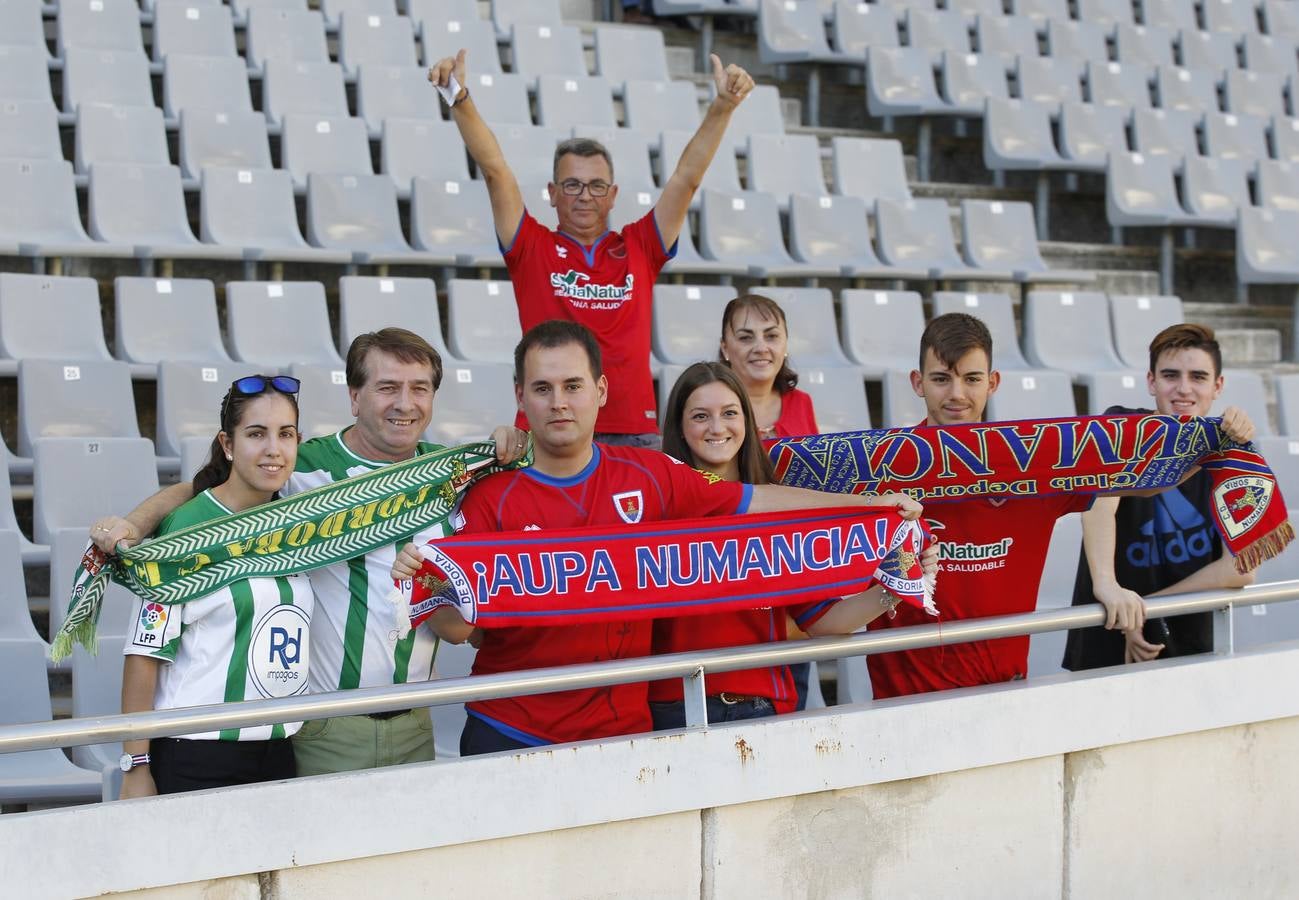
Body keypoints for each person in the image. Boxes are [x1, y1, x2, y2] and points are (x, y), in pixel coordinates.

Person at [392, 321, 923, 755]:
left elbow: (758, 501)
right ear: (520, 396)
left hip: (627, 734)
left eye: (573, 386)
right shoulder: (490, 496)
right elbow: (461, 630)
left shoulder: (651, 475)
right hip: (512, 729)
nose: (559, 402)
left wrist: (869, 506)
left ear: (600, 391)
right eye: (543, 387)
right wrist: (428, 586)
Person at [92, 329, 526, 776]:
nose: (405, 403)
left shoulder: (453, 474)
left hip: (416, 721)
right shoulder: (304, 466)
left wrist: (513, 442)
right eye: (387, 387)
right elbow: (211, 488)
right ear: (354, 397)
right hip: (324, 726)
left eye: (420, 388)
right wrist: (138, 523)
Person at [864, 313, 1256, 699]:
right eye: (940, 379)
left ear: (993, 382)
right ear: (918, 382)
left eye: (971, 379)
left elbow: (1143, 486)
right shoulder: (876, 470)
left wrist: (1218, 442)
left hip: (1004, 694)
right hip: (905, 699)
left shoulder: (1030, 462)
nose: (957, 395)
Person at [428, 47, 756, 448]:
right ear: (551, 193)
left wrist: (722, 107)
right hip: (549, 431)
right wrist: (459, 99)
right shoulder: (529, 246)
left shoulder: (641, 245)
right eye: (572, 185)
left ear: (613, 194)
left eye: (597, 186)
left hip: (632, 433)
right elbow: (496, 171)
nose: (585, 196)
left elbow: (686, 179)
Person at [648, 361, 937, 728]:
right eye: (700, 416)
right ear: (680, 426)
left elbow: (822, 622)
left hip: (765, 708)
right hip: (676, 708)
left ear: (747, 423)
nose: (717, 427)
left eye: (729, 413)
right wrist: (868, 503)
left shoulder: (786, 519)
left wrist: (897, 585)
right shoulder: (657, 501)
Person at [120, 374, 311, 797]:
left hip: (279, 752)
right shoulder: (186, 529)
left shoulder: (303, 523)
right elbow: (144, 653)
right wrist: (135, 766)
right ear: (227, 444)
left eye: (286, 434)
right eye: (256, 434)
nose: (273, 449)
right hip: (197, 754)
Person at [1063, 324, 1256, 670]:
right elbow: (1098, 506)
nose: (1183, 389)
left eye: (1198, 376)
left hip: (1187, 639)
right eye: (1170, 375)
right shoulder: (1120, 426)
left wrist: (1147, 607)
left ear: (1218, 386)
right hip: (1109, 625)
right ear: (1151, 382)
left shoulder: (1228, 448)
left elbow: (1242, 568)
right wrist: (1110, 589)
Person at [719, 294, 819, 440]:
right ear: (725, 348)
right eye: (745, 338)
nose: (761, 348)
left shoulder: (801, 402)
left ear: (785, 344)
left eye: (771, 336)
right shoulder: (708, 404)